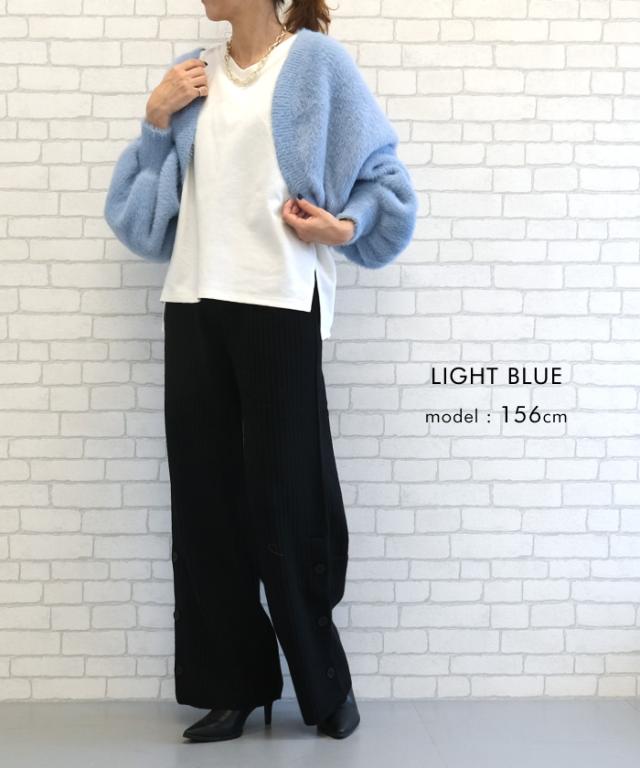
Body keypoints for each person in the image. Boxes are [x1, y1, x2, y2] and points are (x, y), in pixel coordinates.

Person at [104, 0, 417, 744]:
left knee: (288, 499)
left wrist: (344, 227)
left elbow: (387, 183)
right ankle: (232, 686)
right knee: (206, 504)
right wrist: (155, 120)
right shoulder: (192, 76)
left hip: (278, 301)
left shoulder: (316, 64)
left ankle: (323, 680)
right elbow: (140, 223)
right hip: (194, 302)